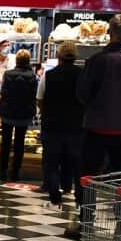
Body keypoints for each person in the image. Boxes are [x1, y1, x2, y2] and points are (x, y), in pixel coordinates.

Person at [69, 14, 121, 238]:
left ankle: (86, 222)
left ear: (109, 33)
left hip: (95, 128)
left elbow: (82, 95)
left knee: (88, 178)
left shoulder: (96, 61)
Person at [38, 42, 85, 211]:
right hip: (76, 127)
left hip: (53, 126)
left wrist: (47, 113)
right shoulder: (83, 76)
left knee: (52, 164)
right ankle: (80, 201)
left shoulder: (49, 75)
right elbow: (87, 99)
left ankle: (55, 200)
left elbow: (40, 98)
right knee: (77, 164)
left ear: (59, 57)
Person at [0, 49, 39, 182]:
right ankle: (15, 172)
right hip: (24, 114)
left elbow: (3, 92)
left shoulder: (7, 74)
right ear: (28, 61)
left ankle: (2, 171)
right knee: (19, 143)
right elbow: (35, 95)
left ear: (16, 61)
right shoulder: (33, 77)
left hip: (8, 112)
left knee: (6, 142)